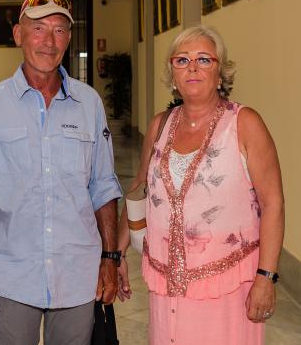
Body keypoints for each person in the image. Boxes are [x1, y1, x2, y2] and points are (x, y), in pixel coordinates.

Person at [0, 0, 123, 345]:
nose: (49, 41)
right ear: (18, 35)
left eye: (60, 30)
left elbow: (104, 186)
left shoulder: (89, 104)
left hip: (77, 276)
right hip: (12, 278)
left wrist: (110, 258)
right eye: (38, 29)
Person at [116, 25, 284, 345]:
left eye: (204, 59)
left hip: (228, 288)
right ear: (173, 74)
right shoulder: (160, 125)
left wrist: (266, 277)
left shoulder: (245, 124)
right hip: (166, 286)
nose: (192, 67)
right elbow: (140, 189)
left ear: (220, 71)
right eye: (182, 60)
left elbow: (273, 203)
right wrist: (118, 253)